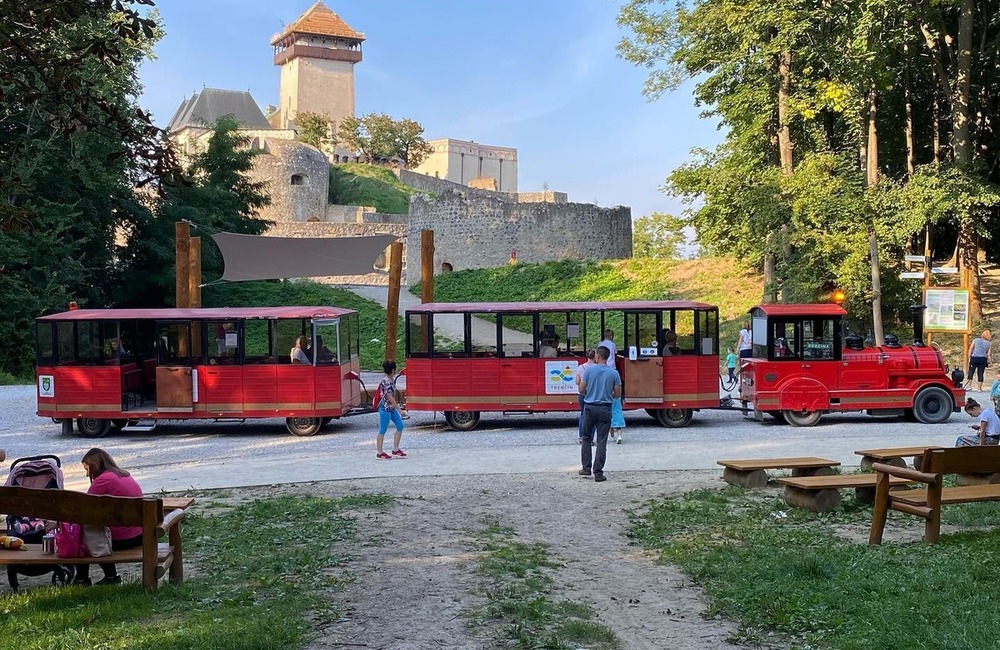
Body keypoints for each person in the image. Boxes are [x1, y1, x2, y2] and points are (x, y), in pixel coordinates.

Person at [73, 448, 144, 586]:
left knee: (79, 538)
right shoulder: (125, 474)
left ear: (95, 465)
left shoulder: (102, 480)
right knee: (98, 533)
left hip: (123, 539)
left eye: (87, 469)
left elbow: (85, 508)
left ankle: (82, 579)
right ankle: (110, 576)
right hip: (139, 534)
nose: (87, 474)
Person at [578, 345, 622, 482]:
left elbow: (581, 389)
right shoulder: (614, 373)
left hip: (590, 407)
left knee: (586, 437)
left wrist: (589, 393)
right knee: (602, 440)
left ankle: (586, 468)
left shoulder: (588, 371)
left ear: (597, 356)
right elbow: (617, 394)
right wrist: (607, 394)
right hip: (605, 408)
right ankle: (598, 473)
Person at [375, 360, 407, 460]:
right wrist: (400, 410)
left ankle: (396, 450)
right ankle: (379, 453)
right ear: (393, 370)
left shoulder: (391, 379)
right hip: (385, 409)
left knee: (400, 426)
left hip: (391, 408)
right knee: (382, 430)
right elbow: (390, 398)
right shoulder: (386, 381)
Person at [574, 349, 597, 444]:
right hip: (594, 394)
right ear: (595, 356)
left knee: (583, 415)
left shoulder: (581, 367)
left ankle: (581, 436)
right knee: (593, 417)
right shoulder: (597, 368)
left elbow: (577, 382)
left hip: (582, 394)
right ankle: (590, 438)